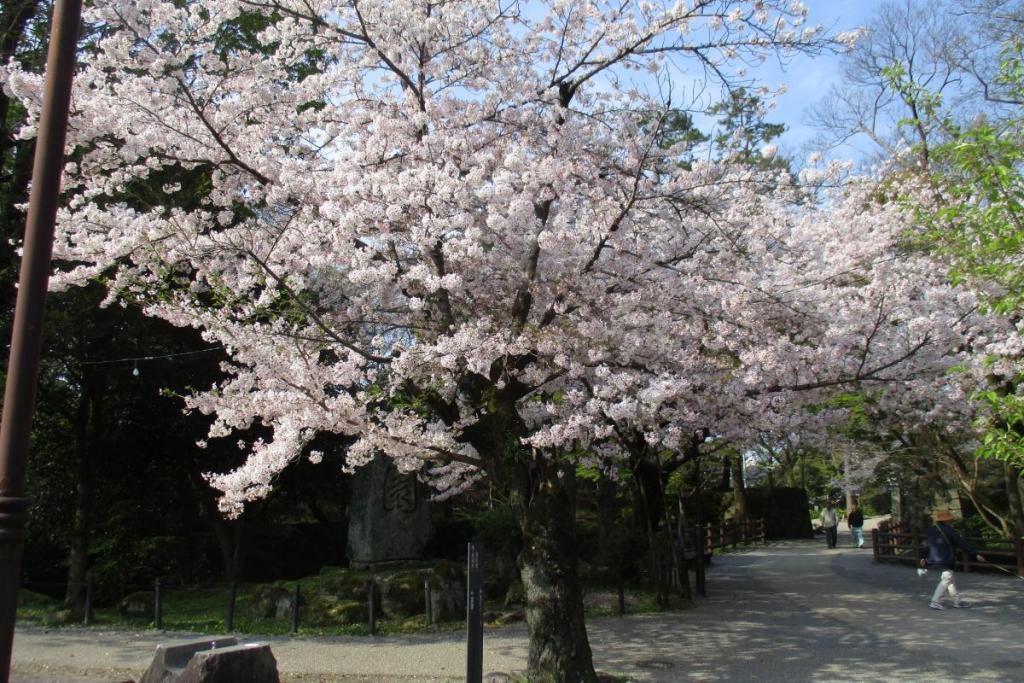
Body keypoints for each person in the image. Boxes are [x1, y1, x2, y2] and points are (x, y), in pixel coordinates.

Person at [919, 510, 986, 610]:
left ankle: (957, 601)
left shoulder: (930, 530)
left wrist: (923, 557)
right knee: (947, 579)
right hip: (946, 559)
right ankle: (935, 601)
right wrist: (975, 554)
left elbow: (925, 545)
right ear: (947, 520)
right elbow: (962, 544)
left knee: (950, 580)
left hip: (933, 558)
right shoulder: (950, 530)